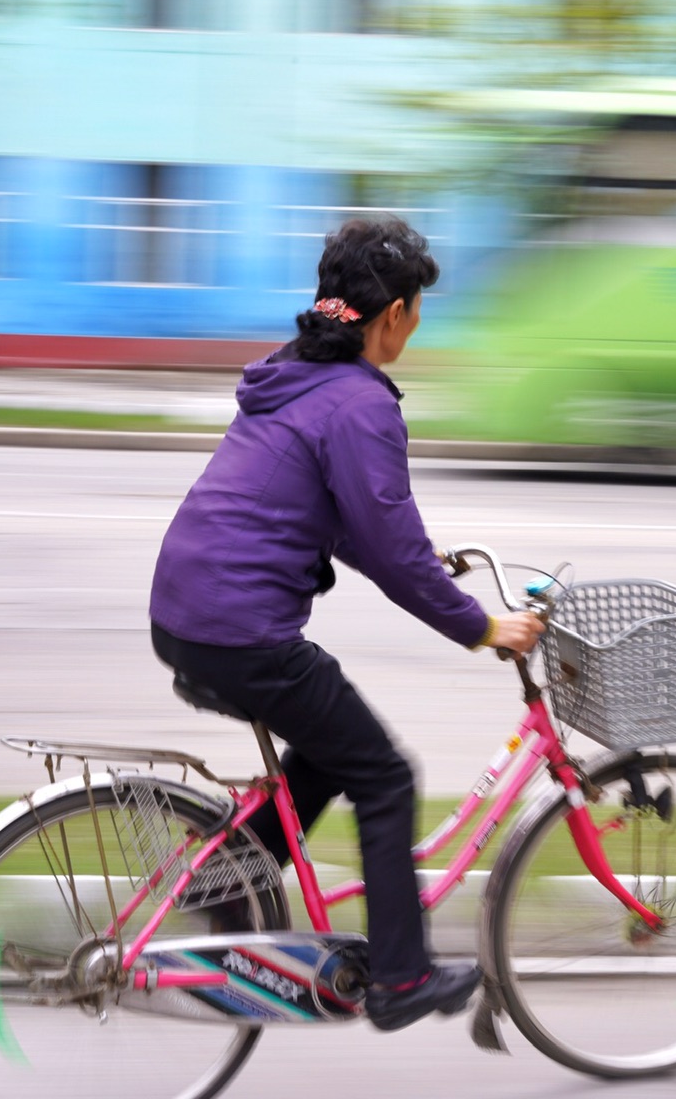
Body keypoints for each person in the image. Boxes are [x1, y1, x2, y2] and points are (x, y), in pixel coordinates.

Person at [149, 214, 544, 1032]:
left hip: (187, 612)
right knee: (384, 775)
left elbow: (352, 524)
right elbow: (386, 551)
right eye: (418, 310)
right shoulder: (361, 402)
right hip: (239, 628)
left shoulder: (295, 373)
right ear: (393, 313)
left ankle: (221, 878)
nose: (418, 326)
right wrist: (482, 627)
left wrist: (423, 564)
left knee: (329, 748)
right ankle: (400, 980)